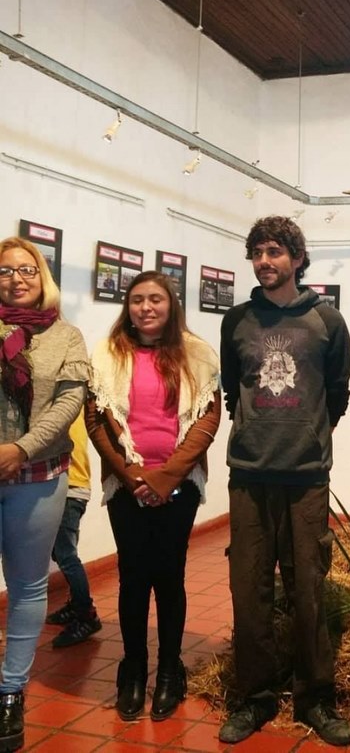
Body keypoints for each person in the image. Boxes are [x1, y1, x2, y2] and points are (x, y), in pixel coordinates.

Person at [219, 216, 350, 747]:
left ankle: (315, 698)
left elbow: (337, 393)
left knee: (309, 591)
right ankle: (254, 698)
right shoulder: (237, 321)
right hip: (249, 476)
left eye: (275, 251)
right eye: (257, 252)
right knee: (247, 590)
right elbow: (235, 390)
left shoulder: (326, 321)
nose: (264, 261)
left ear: (297, 258)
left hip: (305, 478)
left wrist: (306, 436)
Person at [85, 270, 221, 722]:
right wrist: (132, 477)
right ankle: (134, 671)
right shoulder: (106, 355)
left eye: (155, 299)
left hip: (178, 488)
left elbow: (207, 421)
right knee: (132, 578)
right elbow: (95, 421)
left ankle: (169, 671)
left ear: (171, 304)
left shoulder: (197, 354)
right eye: (137, 299)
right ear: (128, 306)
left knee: (169, 576)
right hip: (126, 487)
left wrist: (167, 478)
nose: (146, 307)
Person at [0, 237, 89, 752]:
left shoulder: (66, 336)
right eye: (7, 270)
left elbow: (68, 402)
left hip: (39, 478)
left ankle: (11, 691)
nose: (17, 278)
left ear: (43, 278)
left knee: (29, 586)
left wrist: (21, 449)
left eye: (28, 269)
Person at [45, 411, 103, 647]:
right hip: (73, 487)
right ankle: (75, 604)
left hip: (70, 487)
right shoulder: (73, 405)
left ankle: (86, 615)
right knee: (61, 552)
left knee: (66, 555)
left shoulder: (65, 408)